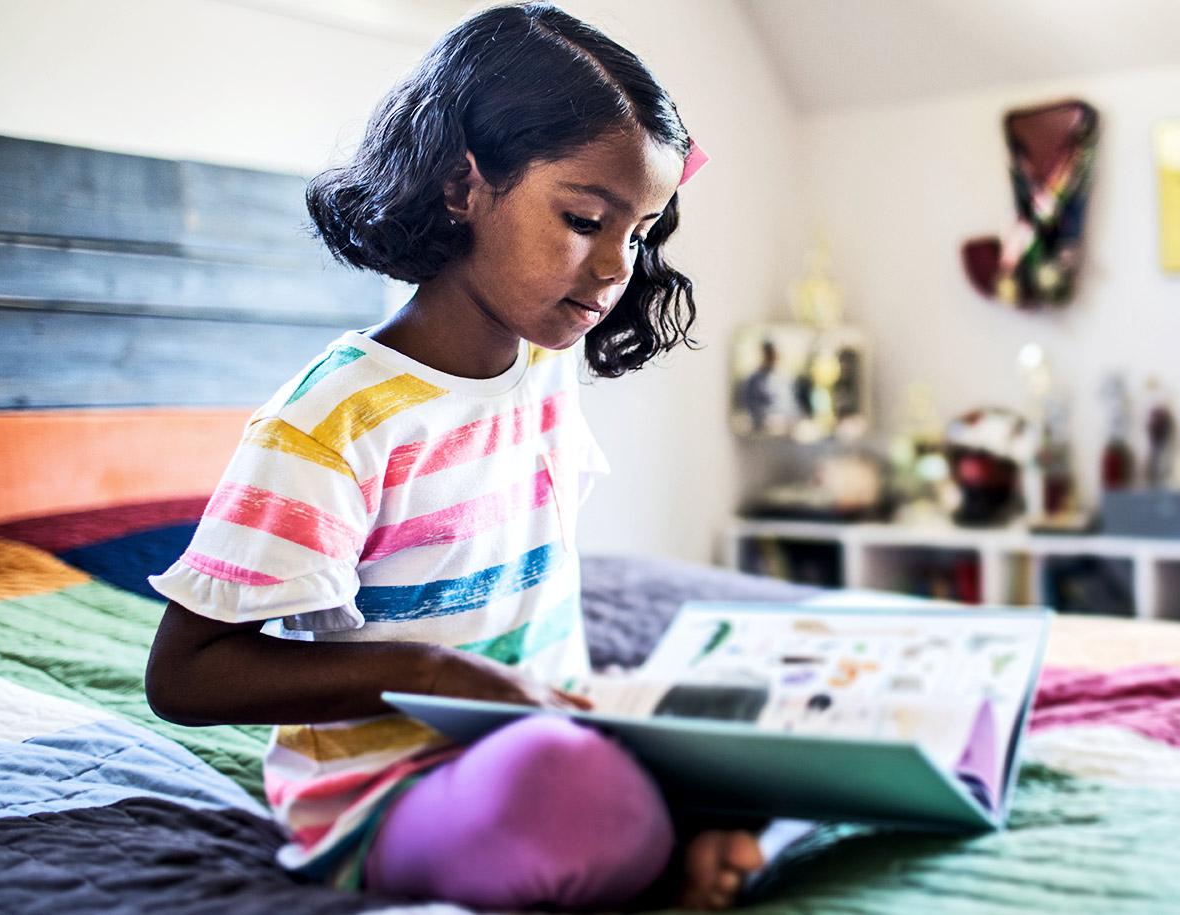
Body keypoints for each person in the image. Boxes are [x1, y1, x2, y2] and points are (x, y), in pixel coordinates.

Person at [143, 4, 763, 910]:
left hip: (542, 726)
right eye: (586, 219)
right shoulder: (332, 418)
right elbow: (185, 673)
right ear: (460, 185)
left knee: (759, 722)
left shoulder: (546, 366)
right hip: (391, 795)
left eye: (638, 233)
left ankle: (674, 837)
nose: (615, 267)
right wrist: (435, 674)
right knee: (568, 789)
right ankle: (669, 856)